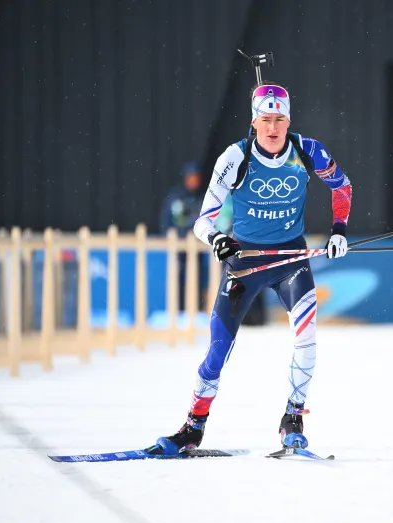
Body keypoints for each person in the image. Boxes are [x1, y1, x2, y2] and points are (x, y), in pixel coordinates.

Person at [150, 82, 352, 453]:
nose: (273, 128)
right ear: (254, 121)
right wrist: (217, 239)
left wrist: (339, 230)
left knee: (307, 339)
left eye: (279, 120)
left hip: (291, 260)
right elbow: (202, 221)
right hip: (245, 263)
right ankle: (193, 426)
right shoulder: (234, 157)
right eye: (266, 119)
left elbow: (342, 187)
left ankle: (293, 419)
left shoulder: (308, 151)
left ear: (288, 121)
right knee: (218, 350)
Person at [159, 162, 206, 310]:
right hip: (179, 249)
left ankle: (197, 310)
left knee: (198, 279)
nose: (193, 181)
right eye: (191, 177)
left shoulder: (204, 199)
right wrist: (172, 237)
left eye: (196, 178)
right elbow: (166, 222)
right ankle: (178, 310)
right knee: (179, 279)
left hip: (198, 250)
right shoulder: (175, 198)